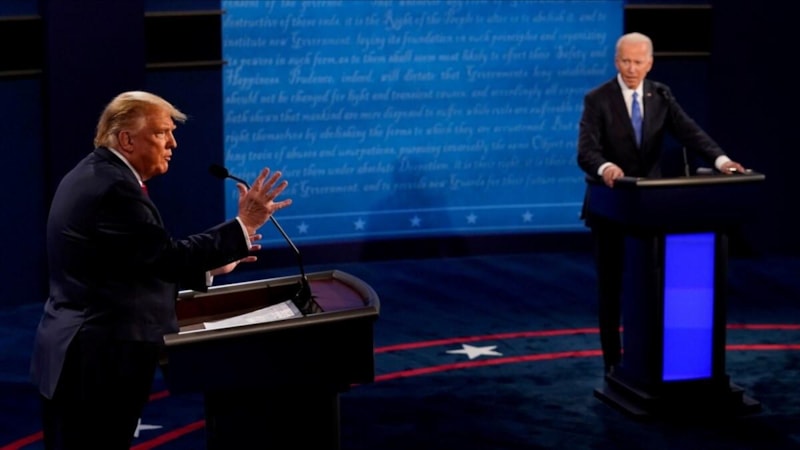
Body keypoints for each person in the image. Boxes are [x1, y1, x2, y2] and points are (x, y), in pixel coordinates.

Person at [30, 90, 292, 449]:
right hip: (97, 359)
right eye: (161, 133)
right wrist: (243, 226)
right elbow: (165, 256)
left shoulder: (96, 173)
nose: (172, 143)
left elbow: (135, 262)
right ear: (127, 139)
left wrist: (210, 267)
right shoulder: (114, 189)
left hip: (83, 351)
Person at [576, 32, 746, 376]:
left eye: (638, 62)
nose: (631, 68)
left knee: (651, 287)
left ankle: (650, 360)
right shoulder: (597, 99)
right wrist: (606, 167)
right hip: (610, 207)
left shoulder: (661, 95)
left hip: (651, 210)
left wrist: (722, 161)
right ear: (616, 61)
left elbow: (690, 133)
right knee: (611, 289)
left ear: (650, 63)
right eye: (625, 61)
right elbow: (586, 151)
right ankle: (613, 363)